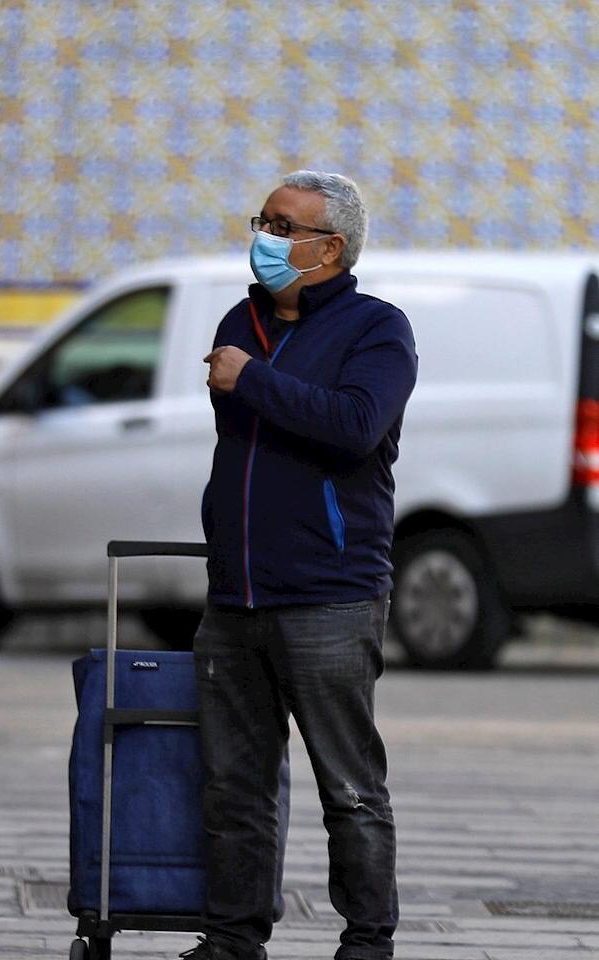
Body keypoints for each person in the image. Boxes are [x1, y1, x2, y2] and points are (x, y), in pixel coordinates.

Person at [190, 171, 418, 960]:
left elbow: (356, 426)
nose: (265, 236)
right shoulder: (239, 319)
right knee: (233, 786)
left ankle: (367, 941)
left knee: (348, 786)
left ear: (331, 248)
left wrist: (253, 378)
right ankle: (232, 939)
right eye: (264, 220)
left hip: (330, 594)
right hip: (235, 594)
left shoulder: (375, 330)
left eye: (284, 226)